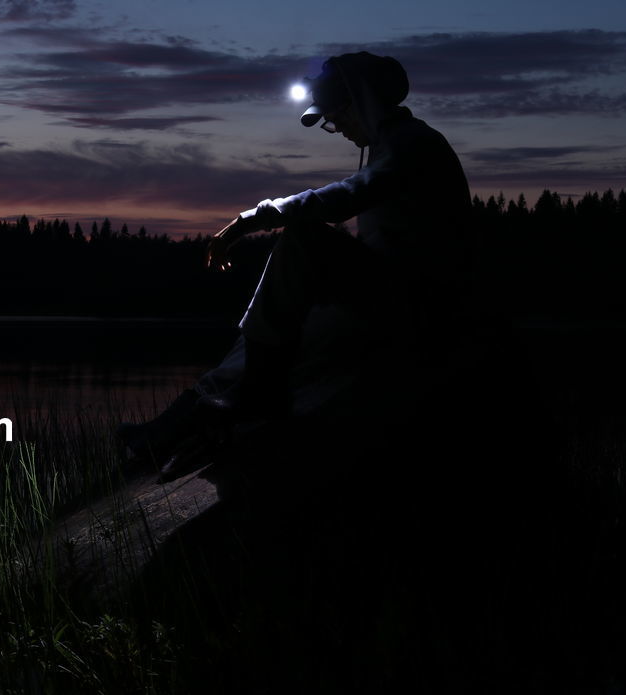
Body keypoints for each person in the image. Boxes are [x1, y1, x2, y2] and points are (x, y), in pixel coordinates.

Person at [121, 51, 474, 474]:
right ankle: (166, 432)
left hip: (422, 306)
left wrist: (251, 219)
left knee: (304, 240)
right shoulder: (391, 147)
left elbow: (344, 197)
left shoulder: (411, 144)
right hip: (394, 298)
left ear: (360, 102)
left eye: (335, 116)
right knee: (257, 343)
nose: (335, 127)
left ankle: (253, 400)